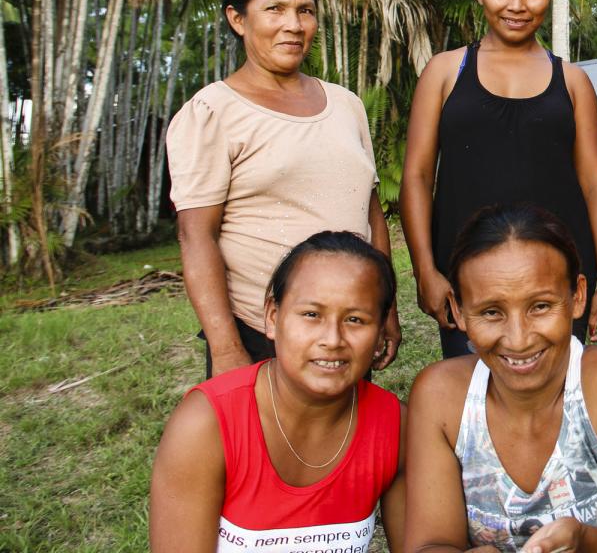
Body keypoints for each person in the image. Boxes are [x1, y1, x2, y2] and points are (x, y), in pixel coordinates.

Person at [167, 0, 399, 377]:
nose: (293, 24)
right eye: (274, 9)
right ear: (238, 18)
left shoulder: (345, 105)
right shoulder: (213, 111)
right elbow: (196, 236)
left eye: (305, 10)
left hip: (348, 330)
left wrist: (385, 308)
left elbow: (371, 215)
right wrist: (226, 348)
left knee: (350, 423)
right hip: (261, 335)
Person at [404, 204, 597, 553]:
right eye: (491, 312)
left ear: (578, 296)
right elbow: (430, 544)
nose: (518, 339)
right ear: (458, 310)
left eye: (540, 306)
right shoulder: (440, 399)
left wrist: (586, 541)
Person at [400, 0, 597, 358]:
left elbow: (595, 184)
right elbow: (418, 176)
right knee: (472, 387)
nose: (517, 5)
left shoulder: (573, 82)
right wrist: (425, 270)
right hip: (469, 279)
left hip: (557, 277)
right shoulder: (444, 72)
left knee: (557, 387)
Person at [149, 231, 405, 552]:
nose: (332, 339)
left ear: (381, 333)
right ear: (273, 317)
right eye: (311, 315)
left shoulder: (396, 426)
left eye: (355, 319)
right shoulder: (206, 424)